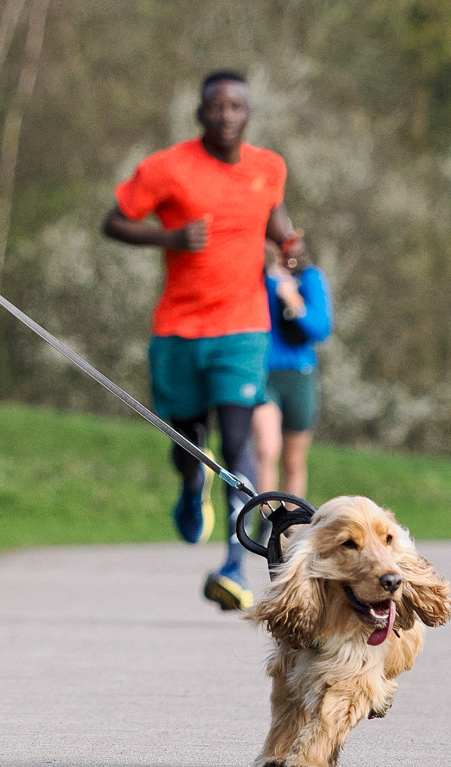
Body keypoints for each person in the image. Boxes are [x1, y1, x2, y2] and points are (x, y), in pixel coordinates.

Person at [101, 71, 302, 612]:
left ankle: (235, 566)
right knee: (188, 446)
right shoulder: (168, 168)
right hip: (178, 332)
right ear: (200, 115)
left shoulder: (269, 168)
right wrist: (168, 237)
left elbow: (274, 218)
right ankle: (192, 490)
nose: (226, 115)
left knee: (238, 444)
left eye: (236, 106)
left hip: (243, 329)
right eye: (216, 106)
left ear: (248, 115)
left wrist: (289, 244)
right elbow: (114, 221)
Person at [252, 237, 333, 502]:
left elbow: (320, 329)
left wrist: (292, 300)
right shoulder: (255, 279)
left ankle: (291, 531)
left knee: (293, 462)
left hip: (299, 375)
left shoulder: (309, 278)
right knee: (266, 450)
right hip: (263, 374)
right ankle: (265, 525)